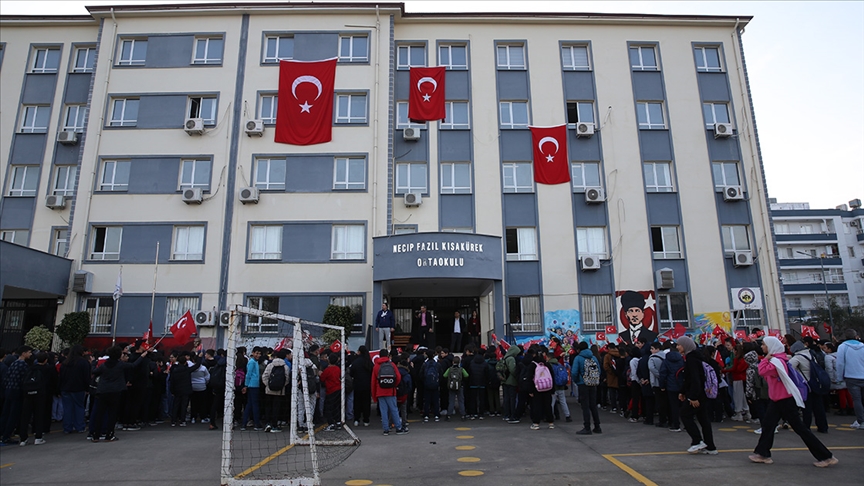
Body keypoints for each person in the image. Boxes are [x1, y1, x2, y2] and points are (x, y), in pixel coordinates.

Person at [750, 336, 838, 467]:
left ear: (771, 347)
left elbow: (762, 371)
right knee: (768, 426)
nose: (762, 347)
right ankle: (762, 453)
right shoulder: (779, 359)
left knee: (800, 429)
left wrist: (765, 359)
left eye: (763, 344)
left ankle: (826, 456)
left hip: (784, 400)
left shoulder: (776, 361)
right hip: (778, 399)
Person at [91, 346, 151, 442]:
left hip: (102, 390)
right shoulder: (120, 365)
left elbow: (94, 371)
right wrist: (142, 356)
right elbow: (133, 365)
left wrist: (93, 363)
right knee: (112, 414)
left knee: (100, 413)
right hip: (115, 391)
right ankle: (109, 434)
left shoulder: (104, 365)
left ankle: (96, 435)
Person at [676, 336, 717, 455]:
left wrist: (693, 397)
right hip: (702, 393)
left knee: (685, 414)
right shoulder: (697, 357)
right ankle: (711, 446)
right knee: (704, 419)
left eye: (679, 345)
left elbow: (695, 379)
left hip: (697, 394)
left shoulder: (691, 359)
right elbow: (690, 379)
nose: (678, 347)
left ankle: (697, 441)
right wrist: (683, 392)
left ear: (685, 346)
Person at [788, 341, 827, 434]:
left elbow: (789, 368)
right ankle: (823, 426)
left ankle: (806, 427)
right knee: (819, 407)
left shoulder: (798, 357)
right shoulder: (811, 354)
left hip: (806, 385)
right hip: (816, 383)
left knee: (807, 408)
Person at [370, 349, 407, 435]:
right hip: (391, 391)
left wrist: (374, 395)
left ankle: (386, 429)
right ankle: (398, 427)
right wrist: (394, 385)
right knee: (394, 409)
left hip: (380, 391)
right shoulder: (392, 365)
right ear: (388, 355)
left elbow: (373, 382)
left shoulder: (376, 366)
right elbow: (398, 377)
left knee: (383, 411)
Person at [835, 328, 864, 429]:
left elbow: (840, 363)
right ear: (856, 336)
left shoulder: (843, 347)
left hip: (851, 376)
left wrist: (839, 377)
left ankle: (861, 421)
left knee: (857, 400)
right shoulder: (863, 346)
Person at [59, 344, 90, 434]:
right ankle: (80, 426)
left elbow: (61, 377)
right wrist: (87, 387)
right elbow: (86, 377)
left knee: (67, 408)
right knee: (79, 407)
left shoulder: (65, 363)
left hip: (65, 388)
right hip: (78, 388)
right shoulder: (84, 362)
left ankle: (67, 427)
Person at [573, 341, 601, 434]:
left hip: (583, 384)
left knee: (585, 406)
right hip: (593, 383)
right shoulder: (593, 357)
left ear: (579, 349)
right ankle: (597, 426)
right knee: (593, 405)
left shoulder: (578, 358)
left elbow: (574, 372)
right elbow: (599, 370)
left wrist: (577, 381)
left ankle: (587, 427)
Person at [261, 349, 289, 433]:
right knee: (276, 408)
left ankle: (267, 423)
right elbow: (287, 379)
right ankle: (274, 425)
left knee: (268, 407)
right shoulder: (285, 367)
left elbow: (264, 376)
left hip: (269, 390)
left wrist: (268, 385)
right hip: (280, 391)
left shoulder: (270, 365)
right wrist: (281, 386)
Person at [659, 341, 684, 432]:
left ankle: (676, 424)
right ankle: (686, 424)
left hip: (671, 385)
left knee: (674, 406)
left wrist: (662, 385)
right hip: (682, 384)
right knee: (683, 405)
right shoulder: (681, 360)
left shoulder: (666, 361)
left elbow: (663, 374)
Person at [240, 347, 263, 431]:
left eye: (259, 353)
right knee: (255, 405)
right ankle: (256, 423)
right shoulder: (252, 362)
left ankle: (244, 424)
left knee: (249, 405)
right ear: (253, 353)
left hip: (253, 385)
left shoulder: (255, 362)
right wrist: (246, 385)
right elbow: (248, 374)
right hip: (253, 385)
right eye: (257, 353)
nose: (258, 355)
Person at [350, 346, 374, 427]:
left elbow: (351, 373)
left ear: (359, 352)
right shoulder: (369, 362)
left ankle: (356, 419)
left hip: (357, 384)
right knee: (366, 403)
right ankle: (366, 420)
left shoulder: (356, 362)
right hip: (367, 385)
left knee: (357, 402)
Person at [319, 353, 342, 430]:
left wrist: (320, 374)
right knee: (337, 406)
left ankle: (331, 423)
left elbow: (322, 378)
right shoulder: (338, 369)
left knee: (328, 408)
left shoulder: (327, 370)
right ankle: (338, 421)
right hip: (338, 389)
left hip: (330, 390)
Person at [444, 355, 468, 420]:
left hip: (451, 386)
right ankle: (463, 414)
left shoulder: (449, 369)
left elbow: (444, 375)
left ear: (452, 362)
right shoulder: (461, 369)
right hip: (460, 386)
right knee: (461, 400)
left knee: (451, 401)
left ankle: (449, 415)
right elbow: (466, 375)